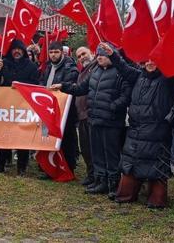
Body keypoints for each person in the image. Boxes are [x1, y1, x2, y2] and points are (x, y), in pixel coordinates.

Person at [101, 43, 174, 209]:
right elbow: (123, 67)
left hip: (157, 131)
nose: (150, 63)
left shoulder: (168, 78)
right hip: (135, 130)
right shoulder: (138, 76)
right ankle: (126, 194)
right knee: (130, 165)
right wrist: (113, 54)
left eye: (154, 60)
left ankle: (157, 200)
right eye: (147, 60)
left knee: (157, 168)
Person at [54, 45, 131, 196]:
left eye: (103, 55)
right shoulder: (94, 71)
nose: (100, 58)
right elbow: (81, 88)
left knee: (111, 154)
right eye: (99, 55)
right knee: (97, 153)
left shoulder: (120, 72)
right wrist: (63, 86)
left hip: (112, 121)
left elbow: (126, 95)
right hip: (94, 118)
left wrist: (112, 106)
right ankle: (100, 181)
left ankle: (113, 184)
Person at [0, 39, 39, 176]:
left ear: (23, 51)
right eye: (14, 49)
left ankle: (22, 167)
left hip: (24, 106)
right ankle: (0, 164)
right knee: (3, 135)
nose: (16, 51)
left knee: (23, 136)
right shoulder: (4, 64)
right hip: (6, 105)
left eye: (19, 49)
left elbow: (35, 85)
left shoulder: (32, 66)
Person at [39, 41, 79, 173]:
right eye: (51, 52)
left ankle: (68, 166)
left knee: (67, 138)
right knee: (47, 136)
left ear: (62, 53)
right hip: (49, 108)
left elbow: (70, 84)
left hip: (65, 110)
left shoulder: (70, 68)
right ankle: (48, 166)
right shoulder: (49, 67)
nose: (53, 55)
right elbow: (43, 82)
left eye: (56, 52)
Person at [72, 46, 96, 186]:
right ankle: (90, 174)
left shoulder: (95, 68)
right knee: (86, 149)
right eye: (79, 56)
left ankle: (97, 176)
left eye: (84, 54)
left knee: (94, 149)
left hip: (91, 115)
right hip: (81, 116)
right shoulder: (82, 72)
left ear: (91, 53)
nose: (82, 57)